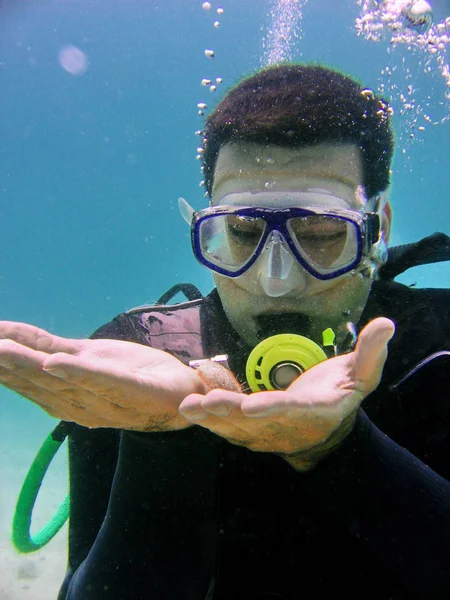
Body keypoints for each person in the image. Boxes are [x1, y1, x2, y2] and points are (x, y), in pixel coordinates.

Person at [1, 63, 450, 600]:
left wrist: (340, 449)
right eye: (241, 233)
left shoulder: (438, 351)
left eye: (323, 234)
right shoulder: (133, 361)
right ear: (207, 229)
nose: (276, 282)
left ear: (378, 231)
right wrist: (165, 434)